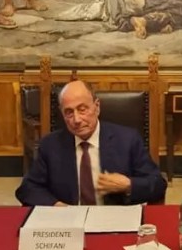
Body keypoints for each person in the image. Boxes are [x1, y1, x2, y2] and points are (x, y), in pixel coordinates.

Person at [16, 80, 168, 206]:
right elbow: (27, 189)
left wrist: (128, 185)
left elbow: (157, 184)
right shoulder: (50, 145)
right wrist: (55, 205)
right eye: (69, 112)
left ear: (97, 107)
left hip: (114, 221)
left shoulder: (128, 140)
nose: (76, 120)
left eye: (82, 109)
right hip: (68, 223)